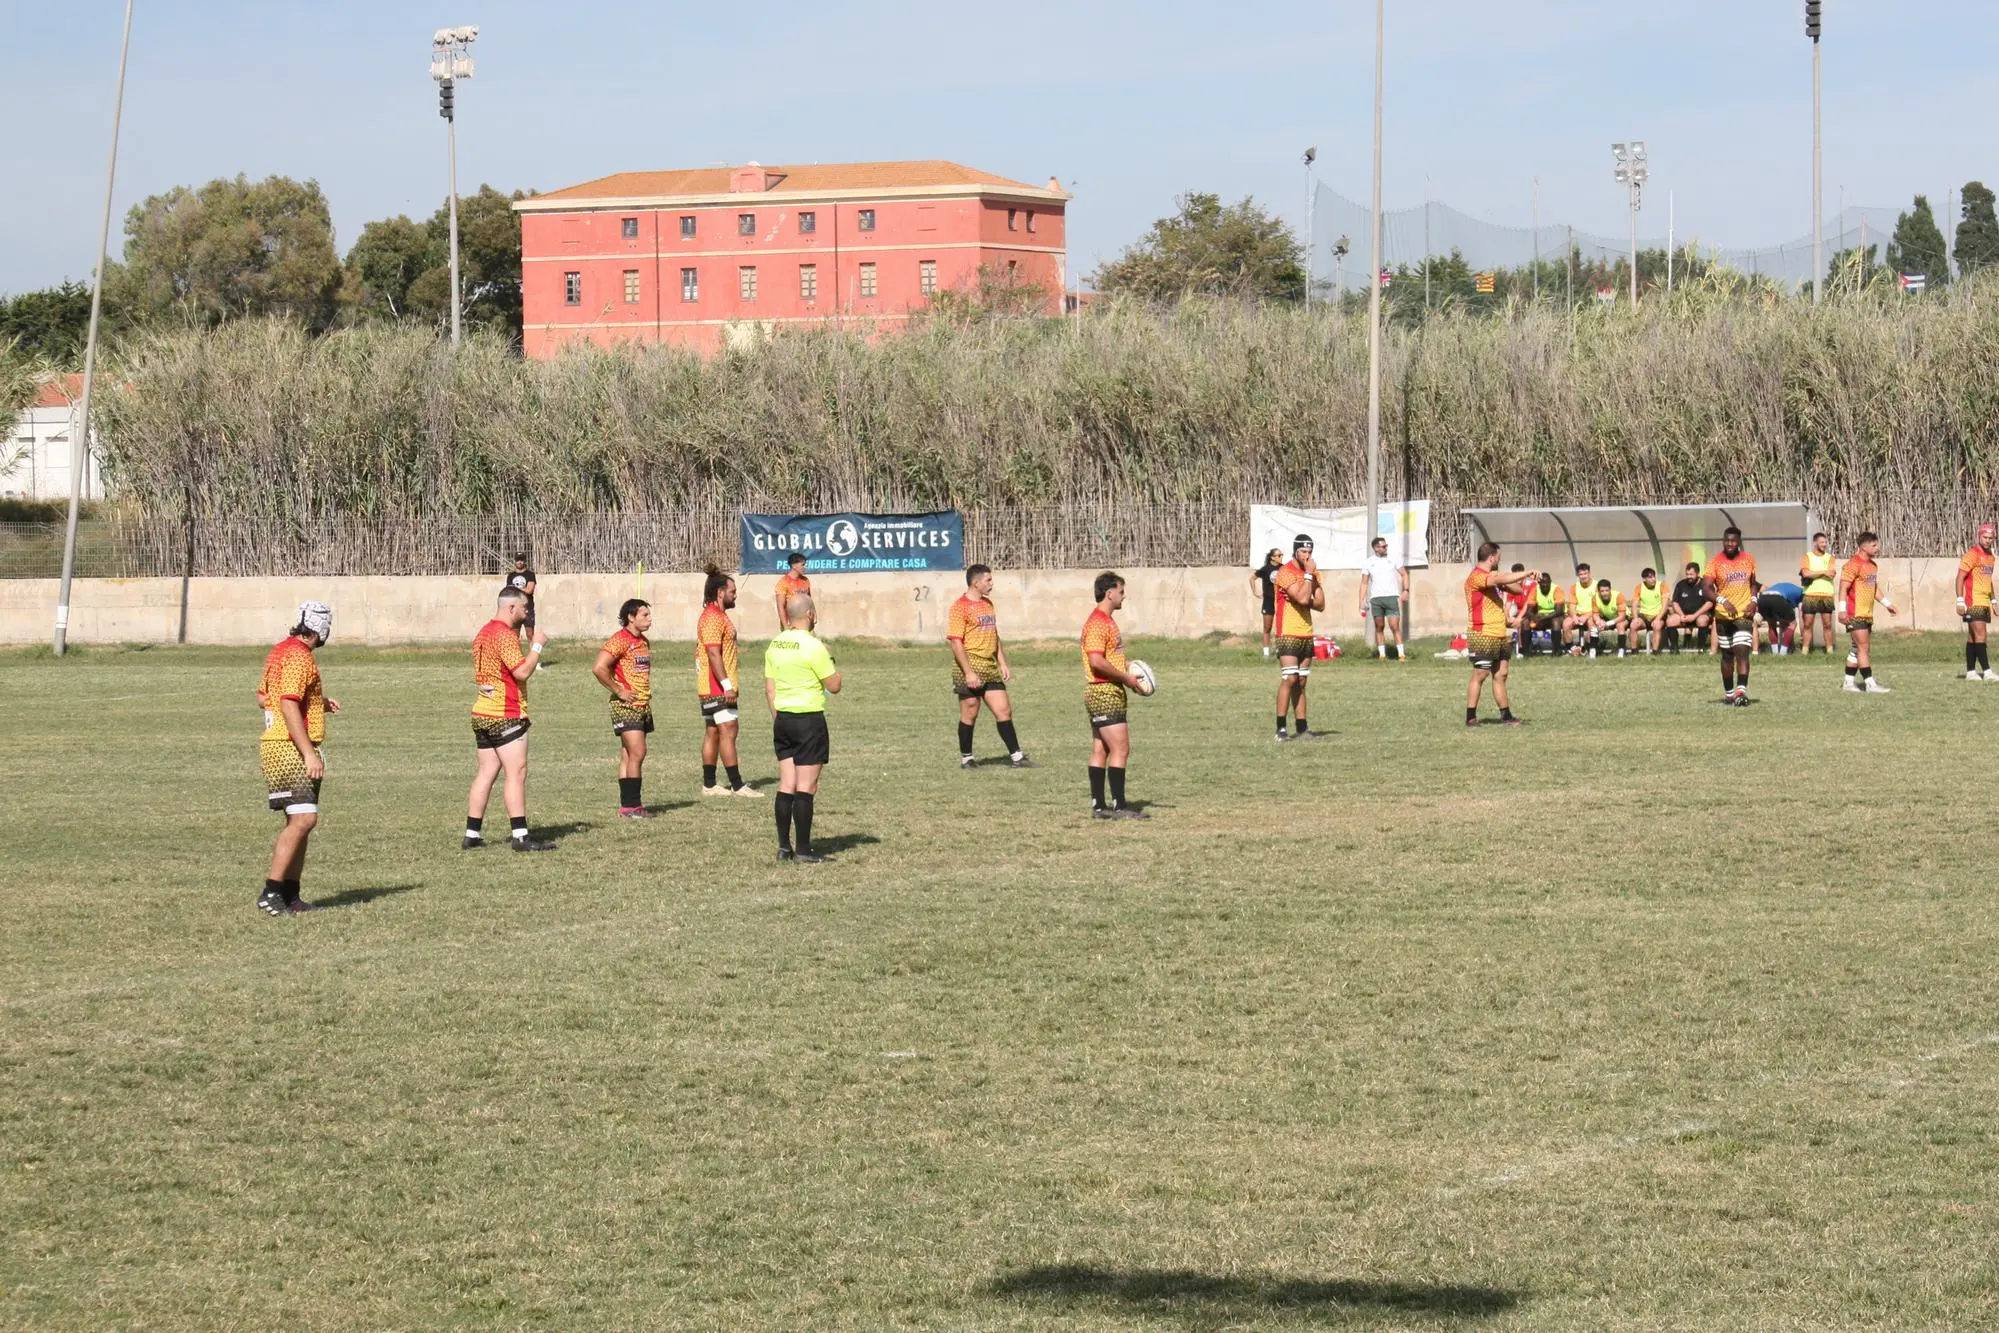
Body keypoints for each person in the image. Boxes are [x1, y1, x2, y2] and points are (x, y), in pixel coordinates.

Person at [256, 600, 341, 916]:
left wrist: (317, 704)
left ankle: (290, 895)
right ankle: (271, 892)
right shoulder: (299, 657)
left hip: (283, 744)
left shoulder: (280, 650)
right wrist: (308, 752)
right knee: (305, 819)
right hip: (288, 748)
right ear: (320, 628)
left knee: (300, 821)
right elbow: (288, 703)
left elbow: (264, 698)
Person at [466, 586, 554, 850]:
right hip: (505, 714)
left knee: (486, 773)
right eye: (524, 607)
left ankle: (472, 835)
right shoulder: (504, 635)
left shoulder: (482, 632)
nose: (527, 612)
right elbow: (522, 672)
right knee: (517, 772)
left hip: (482, 712)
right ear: (511, 607)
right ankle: (520, 837)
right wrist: (537, 645)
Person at [764, 591, 841, 861]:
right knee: (806, 787)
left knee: (786, 783)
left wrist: (778, 718)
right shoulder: (814, 646)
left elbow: (769, 689)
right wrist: (830, 659)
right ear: (811, 614)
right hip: (808, 719)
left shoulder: (775, 644)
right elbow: (835, 686)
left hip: (783, 718)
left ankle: (784, 847)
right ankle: (804, 850)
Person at [1082, 571, 1154, 817]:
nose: (1124, 596)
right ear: (1109, 593)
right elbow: (1096, 660)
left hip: (1103, 691)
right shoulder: (1098, 623)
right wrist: (1125, 677)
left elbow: (1109, 657)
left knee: (1101, 749)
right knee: (1121, 749)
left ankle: (1099, 806)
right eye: (1121, 592)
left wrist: (1129, 666)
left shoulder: (1107, 622)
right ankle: (1119, 805)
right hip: (1104, 692)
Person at [948, 564, 1033, 768]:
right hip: (970, 664)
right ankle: (967, 759)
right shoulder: (959, 607)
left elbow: (994, 635)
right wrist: (968, 672)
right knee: (970, 711)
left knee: (1004, 710)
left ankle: (1017, 757)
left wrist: (1002, 662)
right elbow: (956, 642)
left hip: (989, 665)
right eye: (988, 580)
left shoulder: (988, 605)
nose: (991, 584)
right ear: (975, 583)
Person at [698, 565, 759, 797]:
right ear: (720, 593)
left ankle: (710, 784)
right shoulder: (713, 617)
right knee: (729, 730)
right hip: (717, 685)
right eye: (732, 591)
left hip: (710, 685)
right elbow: (713, 653)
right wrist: (726, 685)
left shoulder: (717, 616)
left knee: (713, 732)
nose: (735, 595)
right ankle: (737, 785)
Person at [592, 598, 655, 818]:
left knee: (628, 755)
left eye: (649, 615)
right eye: (644, 615)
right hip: (625, 706)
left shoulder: (644, 642)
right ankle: (633, 806)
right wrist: (619, 690)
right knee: (638, 752)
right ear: (631, 617)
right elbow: (599, 667)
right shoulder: (620, 640)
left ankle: (626, 806)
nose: (649, 619)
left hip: (642, 705)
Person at [1464, 542, 1535, 726]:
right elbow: (1497, 580)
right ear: (1492, 557)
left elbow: (1519, 590)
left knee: (1501, 674)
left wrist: (1505, 582)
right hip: (1483, 632)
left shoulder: (1493, 578)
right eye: (1499, 557)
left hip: (1499, 632)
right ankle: (1470, 717)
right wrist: (1526, 573)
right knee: (1480, 673)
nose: (1499, 560)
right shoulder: (1477, 577)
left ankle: (1506, 716)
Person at [1271, 533, 1326, 741]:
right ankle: (1281, 728)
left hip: (1306, 632)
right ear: (1295, 551)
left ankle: (1302, 727)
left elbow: (1320, 604)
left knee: (1301, 681)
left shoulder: (1312, 571)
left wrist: (1309, 587)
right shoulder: (1285, 572)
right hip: (1288, 632)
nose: (1307, 555)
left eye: (1310, 551)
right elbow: (1304, 596)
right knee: (1290, 678)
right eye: (1303, 551)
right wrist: (1309, 580)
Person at [1704, 527, 1759, 705]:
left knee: (1742, 650)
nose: (1729, 543)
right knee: (1727, 655)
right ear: (1723, 540)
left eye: (1733, 541)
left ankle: (1741, 692)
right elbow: (1706, 588)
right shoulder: (1714, 562)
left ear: (1739, 542)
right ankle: (1729, 694)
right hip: (1722, 614)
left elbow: (1753, 583)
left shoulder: (1749, 559)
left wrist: (1753, 600)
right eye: (1727, 540)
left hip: (1743, 612)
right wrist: (1723, 601)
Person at [1839, 531, 1898, 693]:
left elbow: (1873, 589)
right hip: (1854, 613)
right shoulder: (1852, 564)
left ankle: (1848, 683)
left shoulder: (1872, 566)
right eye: (1874, 545)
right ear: (1863, 547)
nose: (1877, 548)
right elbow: (1843, 588)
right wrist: (1842, 610)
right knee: (1864, 648)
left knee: (1856, 648)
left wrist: (1887, 604)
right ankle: (1870, 684)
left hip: (1867, 614)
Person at [1359, 534, 1410, 660]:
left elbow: (1404, 574)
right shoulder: (1368, 562)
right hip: (1376, 599)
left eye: (1386, 546)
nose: (1386, 548)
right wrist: (1361, 600)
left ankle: (1401, 654)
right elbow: (1364, 582)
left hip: (1391, 597)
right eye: (1383, 546)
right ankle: (1382, 655)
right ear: (1376, 548)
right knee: (1379, 627)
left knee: (1394, 626)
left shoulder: (1393, 559)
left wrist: (1406, 590)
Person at [1957, 522, 1997, 680]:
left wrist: (1993, 600)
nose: (1987, 540)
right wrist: (1960, 600)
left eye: (1990, 538)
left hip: (1984, 601)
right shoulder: (1972, 554)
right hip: (1973, 601)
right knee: (1981, 636)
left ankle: (1971, 672)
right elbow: (1960, 577)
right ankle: (1987, 672)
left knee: (1973, 637)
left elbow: (1988, 580)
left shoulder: (1991, 557)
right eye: (1985, 537)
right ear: (1979, 536)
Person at [1798, 532, 1837, 654]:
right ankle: (1805, 651)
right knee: (1808, 624)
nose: (1824, 544)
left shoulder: (1830, 558)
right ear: (1815, 543)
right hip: (1810, 594)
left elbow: (1831, 573)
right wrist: (1823, 572)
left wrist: (1815, 572)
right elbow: (1805, 573)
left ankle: (1829, 651)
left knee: (1827, 624)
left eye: (1825, 542)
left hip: (1826, 594)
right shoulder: (1807, 557)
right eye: (1822, 542)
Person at [1666, 561, 1712, 654]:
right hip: (1683, 615)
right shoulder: (1680, 584)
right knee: (1670, 621)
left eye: (1691, 574)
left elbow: (1710, 603)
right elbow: (1675, 602)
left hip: (1700, 614)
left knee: (1702, 621)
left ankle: (1701, 648)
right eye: (1687, 574)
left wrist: (1694, 616)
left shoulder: (1705, 584)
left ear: (1698, 573)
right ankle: (1674, 648)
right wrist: (1681, 615)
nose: (1688, 577)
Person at [504, 553, 541, 665]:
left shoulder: (530, 575)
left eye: (521, 560)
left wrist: (516, 589)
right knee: (515, 636)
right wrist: (522, 590)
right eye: (517, 560)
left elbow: (530, 590)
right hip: (515, 609)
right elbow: (509, 592)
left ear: (525, 561)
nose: (519, 562)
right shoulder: (510, 576)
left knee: (530, 635)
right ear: (515, 561)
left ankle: (535, 662)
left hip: (527, 608)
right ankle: (517, 661)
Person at [1518, 572, 1565, 656]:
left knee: (1556, 622)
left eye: (1547, 583)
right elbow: (1529, 610)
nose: (1545, 585)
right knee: (1525, 622)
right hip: (1541, 617)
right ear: (1539, 583)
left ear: (1550, 582)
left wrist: (1544, 617)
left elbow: (1559, 611)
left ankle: (1556, 651)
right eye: (1542, 583)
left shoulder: (1557, 590)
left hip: (1555, 616)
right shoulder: (1535, 590)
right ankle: (1526, 652)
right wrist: (1534, 617)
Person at [1627, 568, 1670, 655]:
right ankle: (1634, 652)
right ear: (1644, 579)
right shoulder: (1639, 587)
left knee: (1657, 626)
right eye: (1650, 577)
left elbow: (1665, 606)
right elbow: (1634, 605)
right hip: (1644, 615)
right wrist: (1635, 618)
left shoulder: (1662, 586)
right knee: (1633, 625)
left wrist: (1658, 619)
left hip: (1658, 615)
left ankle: (1655, 652)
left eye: (1654, 577)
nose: (1653, 579)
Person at [1251, 547, 1283, 659]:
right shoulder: (1265, 569)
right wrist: (1255, 593)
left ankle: (1280, 651)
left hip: (1280, 601)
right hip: (1268, 601)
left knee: (1281, 627)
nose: (1281, 557)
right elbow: (1252, 578)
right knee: (1267, 628)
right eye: (1279, 555)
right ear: (1272, 557)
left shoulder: (1283, 568)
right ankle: (1266, 654)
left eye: (1281, 555)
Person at [1584, 578, 1627, 657]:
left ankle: (1621, 651)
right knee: (1591, 622)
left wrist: (1607, 623)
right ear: (1599, 591)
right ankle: (1592, 651)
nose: (1605, 593)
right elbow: (1595, 614)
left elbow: (1622, 616)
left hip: (1620, 619)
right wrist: (1598, 622)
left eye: (1607, 590)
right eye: (1602, 591)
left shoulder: (1618, 595)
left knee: (1620, 625)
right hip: (1606, 618)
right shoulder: (1595, 597)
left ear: (1610, 589)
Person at [1756, 582, 1803, 654]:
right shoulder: (1801, 593)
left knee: (1771, 625)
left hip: (1763, 598)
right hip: (1778, 597)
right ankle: (1783, 652)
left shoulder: (1791, 588)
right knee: (1793, 623)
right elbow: (1791, 608)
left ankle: (1775, 652)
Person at [773, 551, 812, 632]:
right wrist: (786, 627)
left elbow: (809, 602)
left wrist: (813, 618)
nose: (805, 567)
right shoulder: (783, 583)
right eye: (803, 565)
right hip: (791, 624)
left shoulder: (806, 581)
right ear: (794, 566)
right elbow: (780, 607)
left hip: (806, 623)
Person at [1563, 563, 1596, 656]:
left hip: (1591, 614)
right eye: (1581, 574)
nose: (1583, 576)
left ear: (1590, 574)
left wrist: (1586, 616)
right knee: (1566, 624)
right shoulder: (1574, 587)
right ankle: (1571, 649)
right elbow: (1572, 604)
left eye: (1585, 573)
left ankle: (1589, 650)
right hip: (1577, 614)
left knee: (1591, 624)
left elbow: (1598, 607)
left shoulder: (1597, 586)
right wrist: (1573, 616)